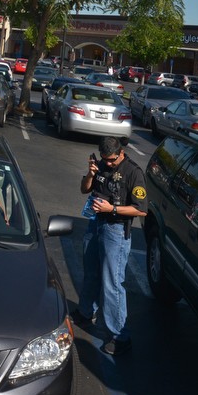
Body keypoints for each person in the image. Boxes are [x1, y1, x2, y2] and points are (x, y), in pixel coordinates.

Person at [73, 136, 147, 355]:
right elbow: (84, 189)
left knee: (112, 283)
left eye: (112, 160)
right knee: (91, 272)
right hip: (96, 225)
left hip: (116, 231)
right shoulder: (101, 165)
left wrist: (111, 209)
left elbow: (141, 209)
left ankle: (120, 337)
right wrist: (91, 173)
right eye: (105, 159)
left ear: (121, 153)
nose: (109, 163)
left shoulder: (133, 172)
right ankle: (86, 312)